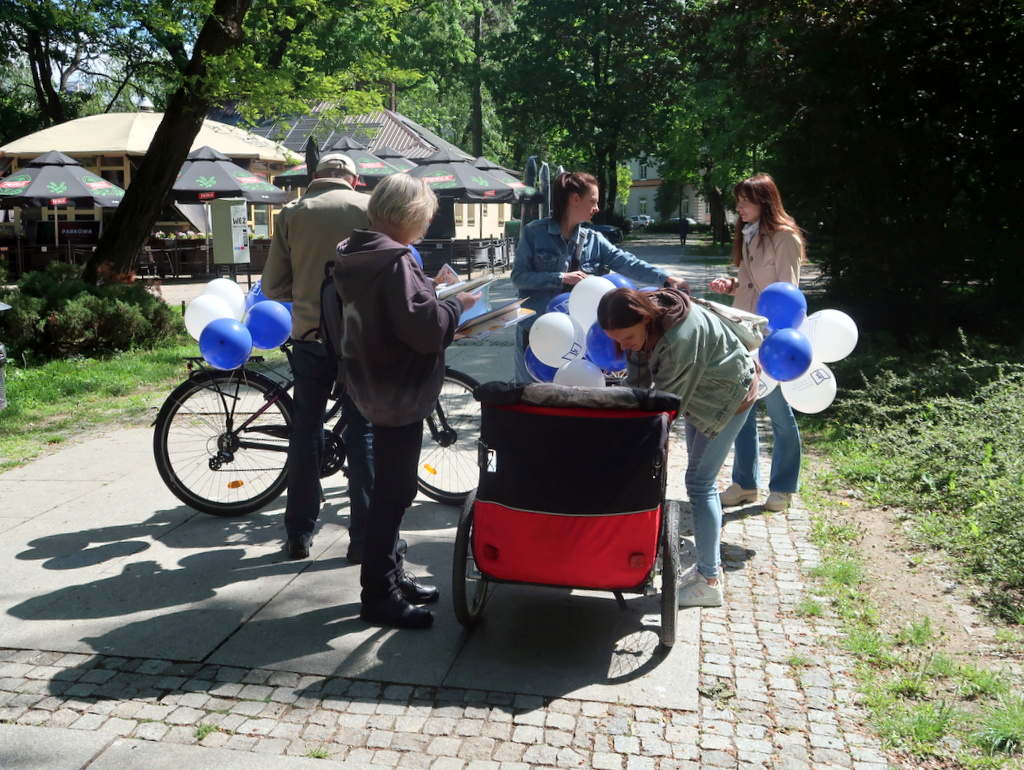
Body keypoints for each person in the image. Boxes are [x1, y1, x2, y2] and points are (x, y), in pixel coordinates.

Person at [334, 174, 478, 629]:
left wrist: (428, 292)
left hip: (371, 383)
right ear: (411, 217)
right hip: (397, 390)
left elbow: (393, 313)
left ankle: (391, 576)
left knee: (391, 492)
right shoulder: (395, 260)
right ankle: (378, 594)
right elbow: (426, 330)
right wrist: (460, 305)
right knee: (394, 494)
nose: (429, 223)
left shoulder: (355, 252)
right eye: (427, 216)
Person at [597, 287, 759, 607]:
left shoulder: (678, 343)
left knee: (700, 482)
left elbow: (664, 410)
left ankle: (709, 580)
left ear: (644, 319)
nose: (622, 345)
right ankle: (708, 571)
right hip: (704, 387)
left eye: (626, 337)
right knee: (697, 480)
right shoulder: (652, 313)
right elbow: (640, 387)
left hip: (729, 395)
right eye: (615, 340)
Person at [263, 152, 373, 562]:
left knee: (306, 430)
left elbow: (273, 287)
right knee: (363, 430)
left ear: (314, 176)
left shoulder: (292, 214)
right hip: (360, 338)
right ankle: (363, 537)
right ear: (354, 180)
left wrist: (310, 295)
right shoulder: (369, 209)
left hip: (310, 336)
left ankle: (298, 532)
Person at [510, 171, 690, 383]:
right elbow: (519, 277)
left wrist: (667, 279)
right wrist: (561, 277)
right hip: (536, 334)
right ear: (575, 199)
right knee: (526, 397)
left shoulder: (594, 240)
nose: (597, 208)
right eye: (593, 201)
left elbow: (628, 262)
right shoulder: (534, 232)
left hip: (580, 342)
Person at [709, 173, 805, 512]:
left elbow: (787, 293)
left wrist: (774, 339)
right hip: (744, 332)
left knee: (779, 412)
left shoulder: (785, 237)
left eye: (744, 201)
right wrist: (731, 285)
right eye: (738, 200)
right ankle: (745, 484)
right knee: (743, 410)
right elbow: (752, 285)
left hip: (774, 337)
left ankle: (783, 487)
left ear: (764, 202)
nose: (738, 207)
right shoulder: (750, 236)